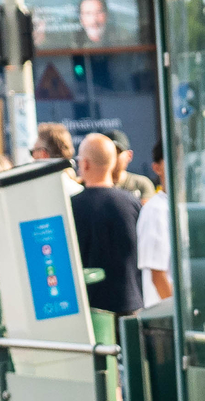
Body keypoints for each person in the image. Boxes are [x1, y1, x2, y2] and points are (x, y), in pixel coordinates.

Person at [70, 134, 141, 319]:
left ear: (85, 164)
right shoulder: (132, 204)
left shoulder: (69, 207)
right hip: (129, 307)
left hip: (87, 311)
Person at [135, 146, 171, 305]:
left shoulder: (186, 206)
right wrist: (178, 316)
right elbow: (157, 275)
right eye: (172, 159)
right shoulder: (156, 210)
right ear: (157, 168)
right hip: (166, 319)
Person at [109, 127, 156, 203]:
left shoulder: (141, 184)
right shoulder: (93, 187)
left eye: (117, 153)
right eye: (109, 153)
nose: (113, 157)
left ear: (129, 155)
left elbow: (146, 212)